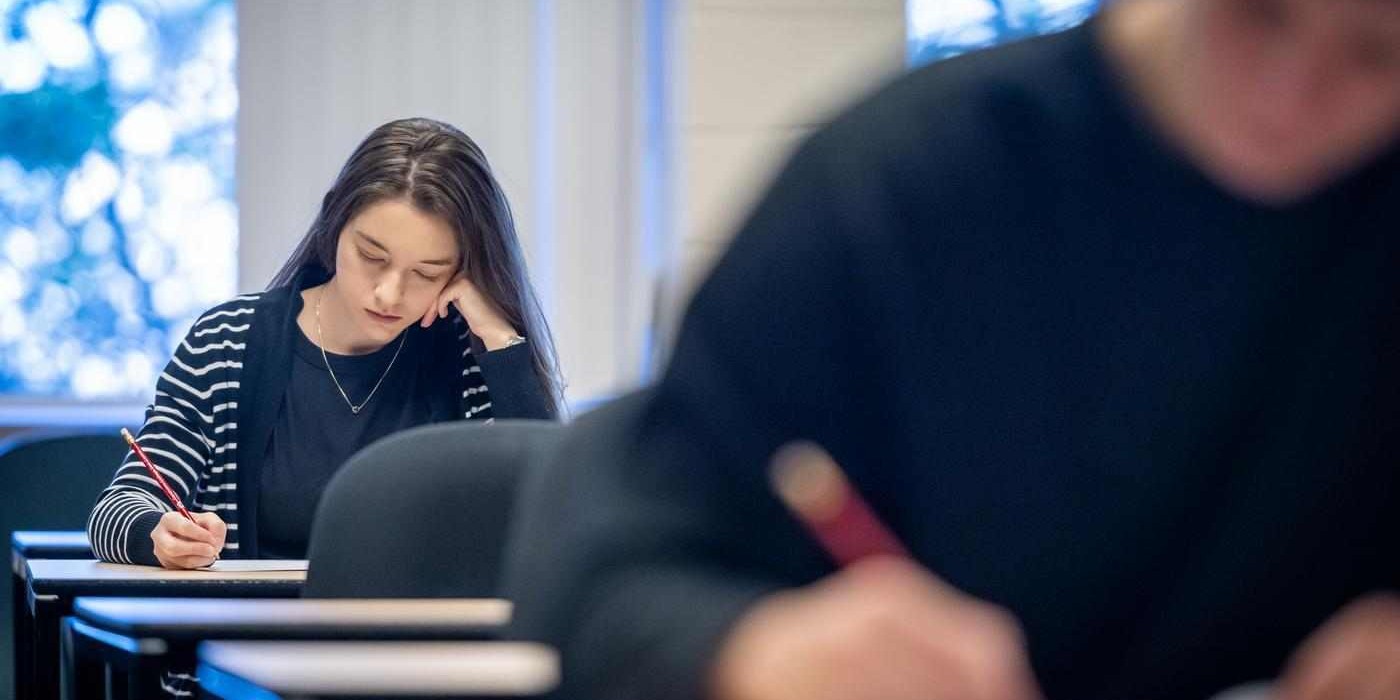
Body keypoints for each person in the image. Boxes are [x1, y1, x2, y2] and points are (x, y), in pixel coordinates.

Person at [507, 1, 1400, 700]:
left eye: (1375, 54)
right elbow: (602, 569)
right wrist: (753, 649)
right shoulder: (905, 188)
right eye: (1259, 16)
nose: (1291, 93)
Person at [88, 117, 562, 569]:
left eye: (426, 273)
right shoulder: (228, 341)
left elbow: (551, 517)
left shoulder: (466, 358)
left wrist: (501, 343)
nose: (389, 293)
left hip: (422, 626)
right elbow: (114, 512)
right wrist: (158, 534)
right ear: (334, 223)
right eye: (371, 256)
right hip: (252, 624)